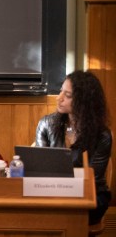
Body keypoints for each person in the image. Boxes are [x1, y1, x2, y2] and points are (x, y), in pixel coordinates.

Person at [35, 70, 112, 225]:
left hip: (91, 193)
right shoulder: (46, 123)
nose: (59, 98)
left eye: (67, 95)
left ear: (84, 101)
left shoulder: (102, 134)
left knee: (69, 212)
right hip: (52, 189)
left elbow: (92, 180)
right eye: (60, 91)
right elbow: (38, 168)